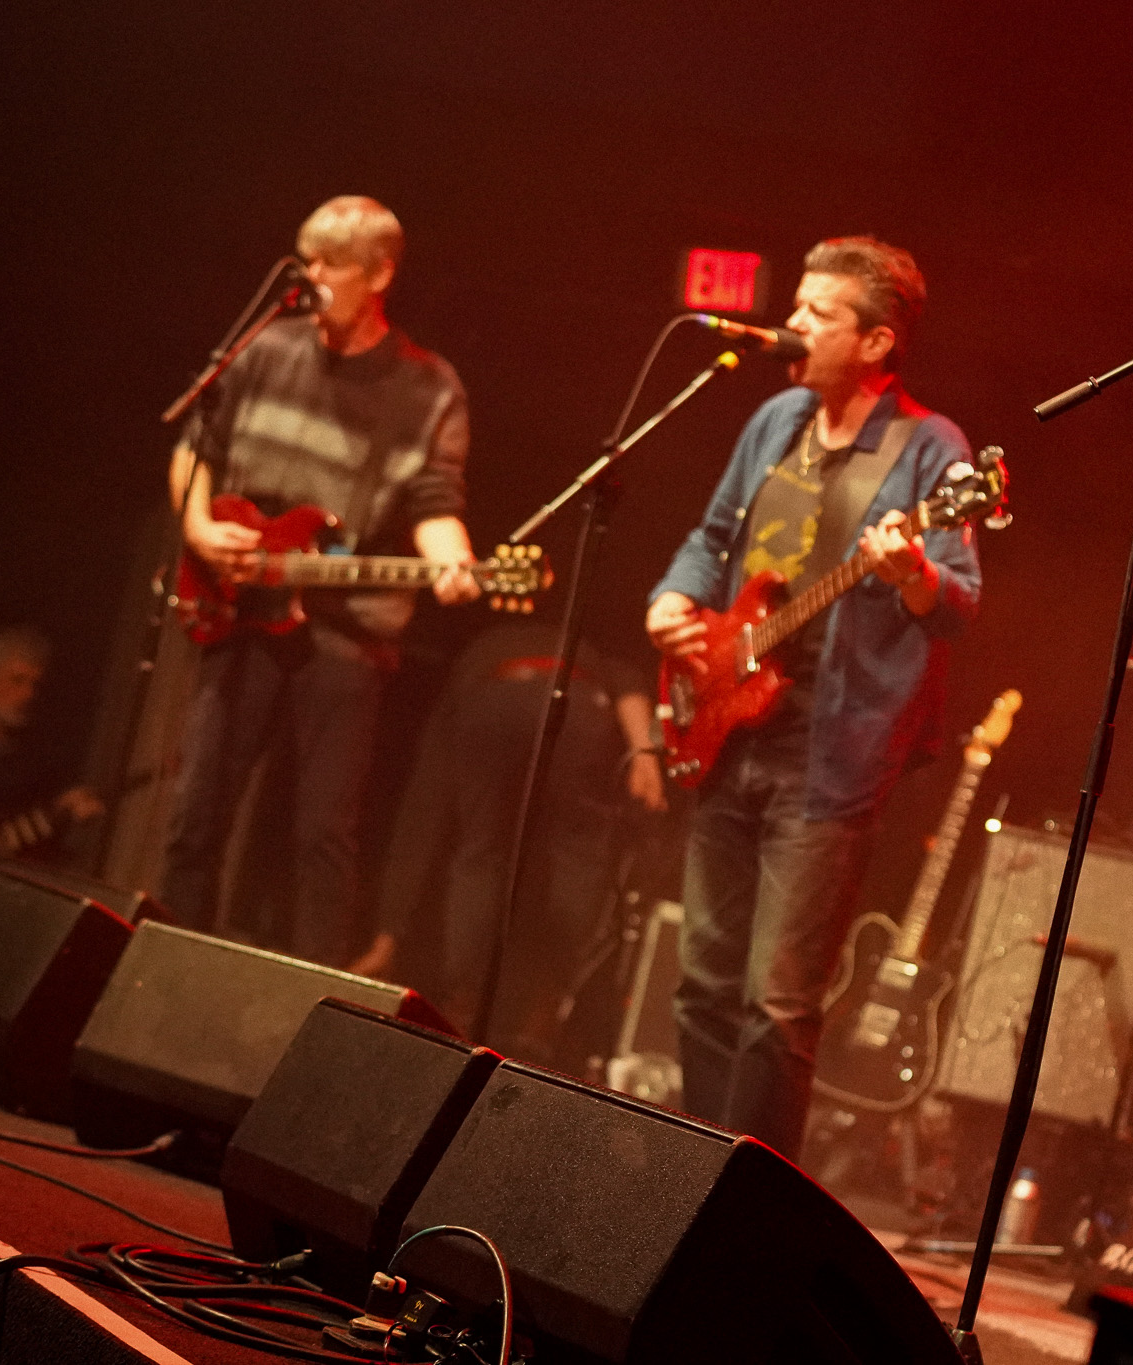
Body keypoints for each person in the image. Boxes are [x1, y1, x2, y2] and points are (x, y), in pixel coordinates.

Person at [646, 236, 981, 1161]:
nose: (790, 324)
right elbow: (714, 538)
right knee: (702, 982)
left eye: (816, 313)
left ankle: (750, 1201)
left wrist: (911, 570)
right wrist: (674, 598)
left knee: (778, 1003)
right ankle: (689, 1172)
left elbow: (956, 602)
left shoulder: (933, 448)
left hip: (828, 757)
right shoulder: (776, 420)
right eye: (796, 305)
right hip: (729, 730)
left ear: (876, 342)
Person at [161, 195, 479, 966]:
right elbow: (194, 449)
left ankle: (312, 1003)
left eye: (333, 263)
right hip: (239, 608)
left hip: (347, 633)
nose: (314, 276)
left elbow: (435, 501)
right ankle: (159, 970)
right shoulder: (264, 348)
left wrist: (455, 558)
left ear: (380, 275)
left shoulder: (428, 387)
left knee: (322, 835)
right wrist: (199, 530)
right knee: (197, 812)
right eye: (308, 259)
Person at [360, 618, 668, 1042]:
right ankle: (547, 1009)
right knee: (579, 855)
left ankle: (464, 1005)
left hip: (490, 697)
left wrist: (387, 936)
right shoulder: (594, 643)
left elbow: (423, 811)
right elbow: (628, 680)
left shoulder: (480, 647)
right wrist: (644, 754)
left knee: (481, 853)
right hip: (578, 699)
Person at [0, 624, 104, 863]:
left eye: (34, 684)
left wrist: (64, 812)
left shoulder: (39, 753)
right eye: (17, 680)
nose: (28, 694)